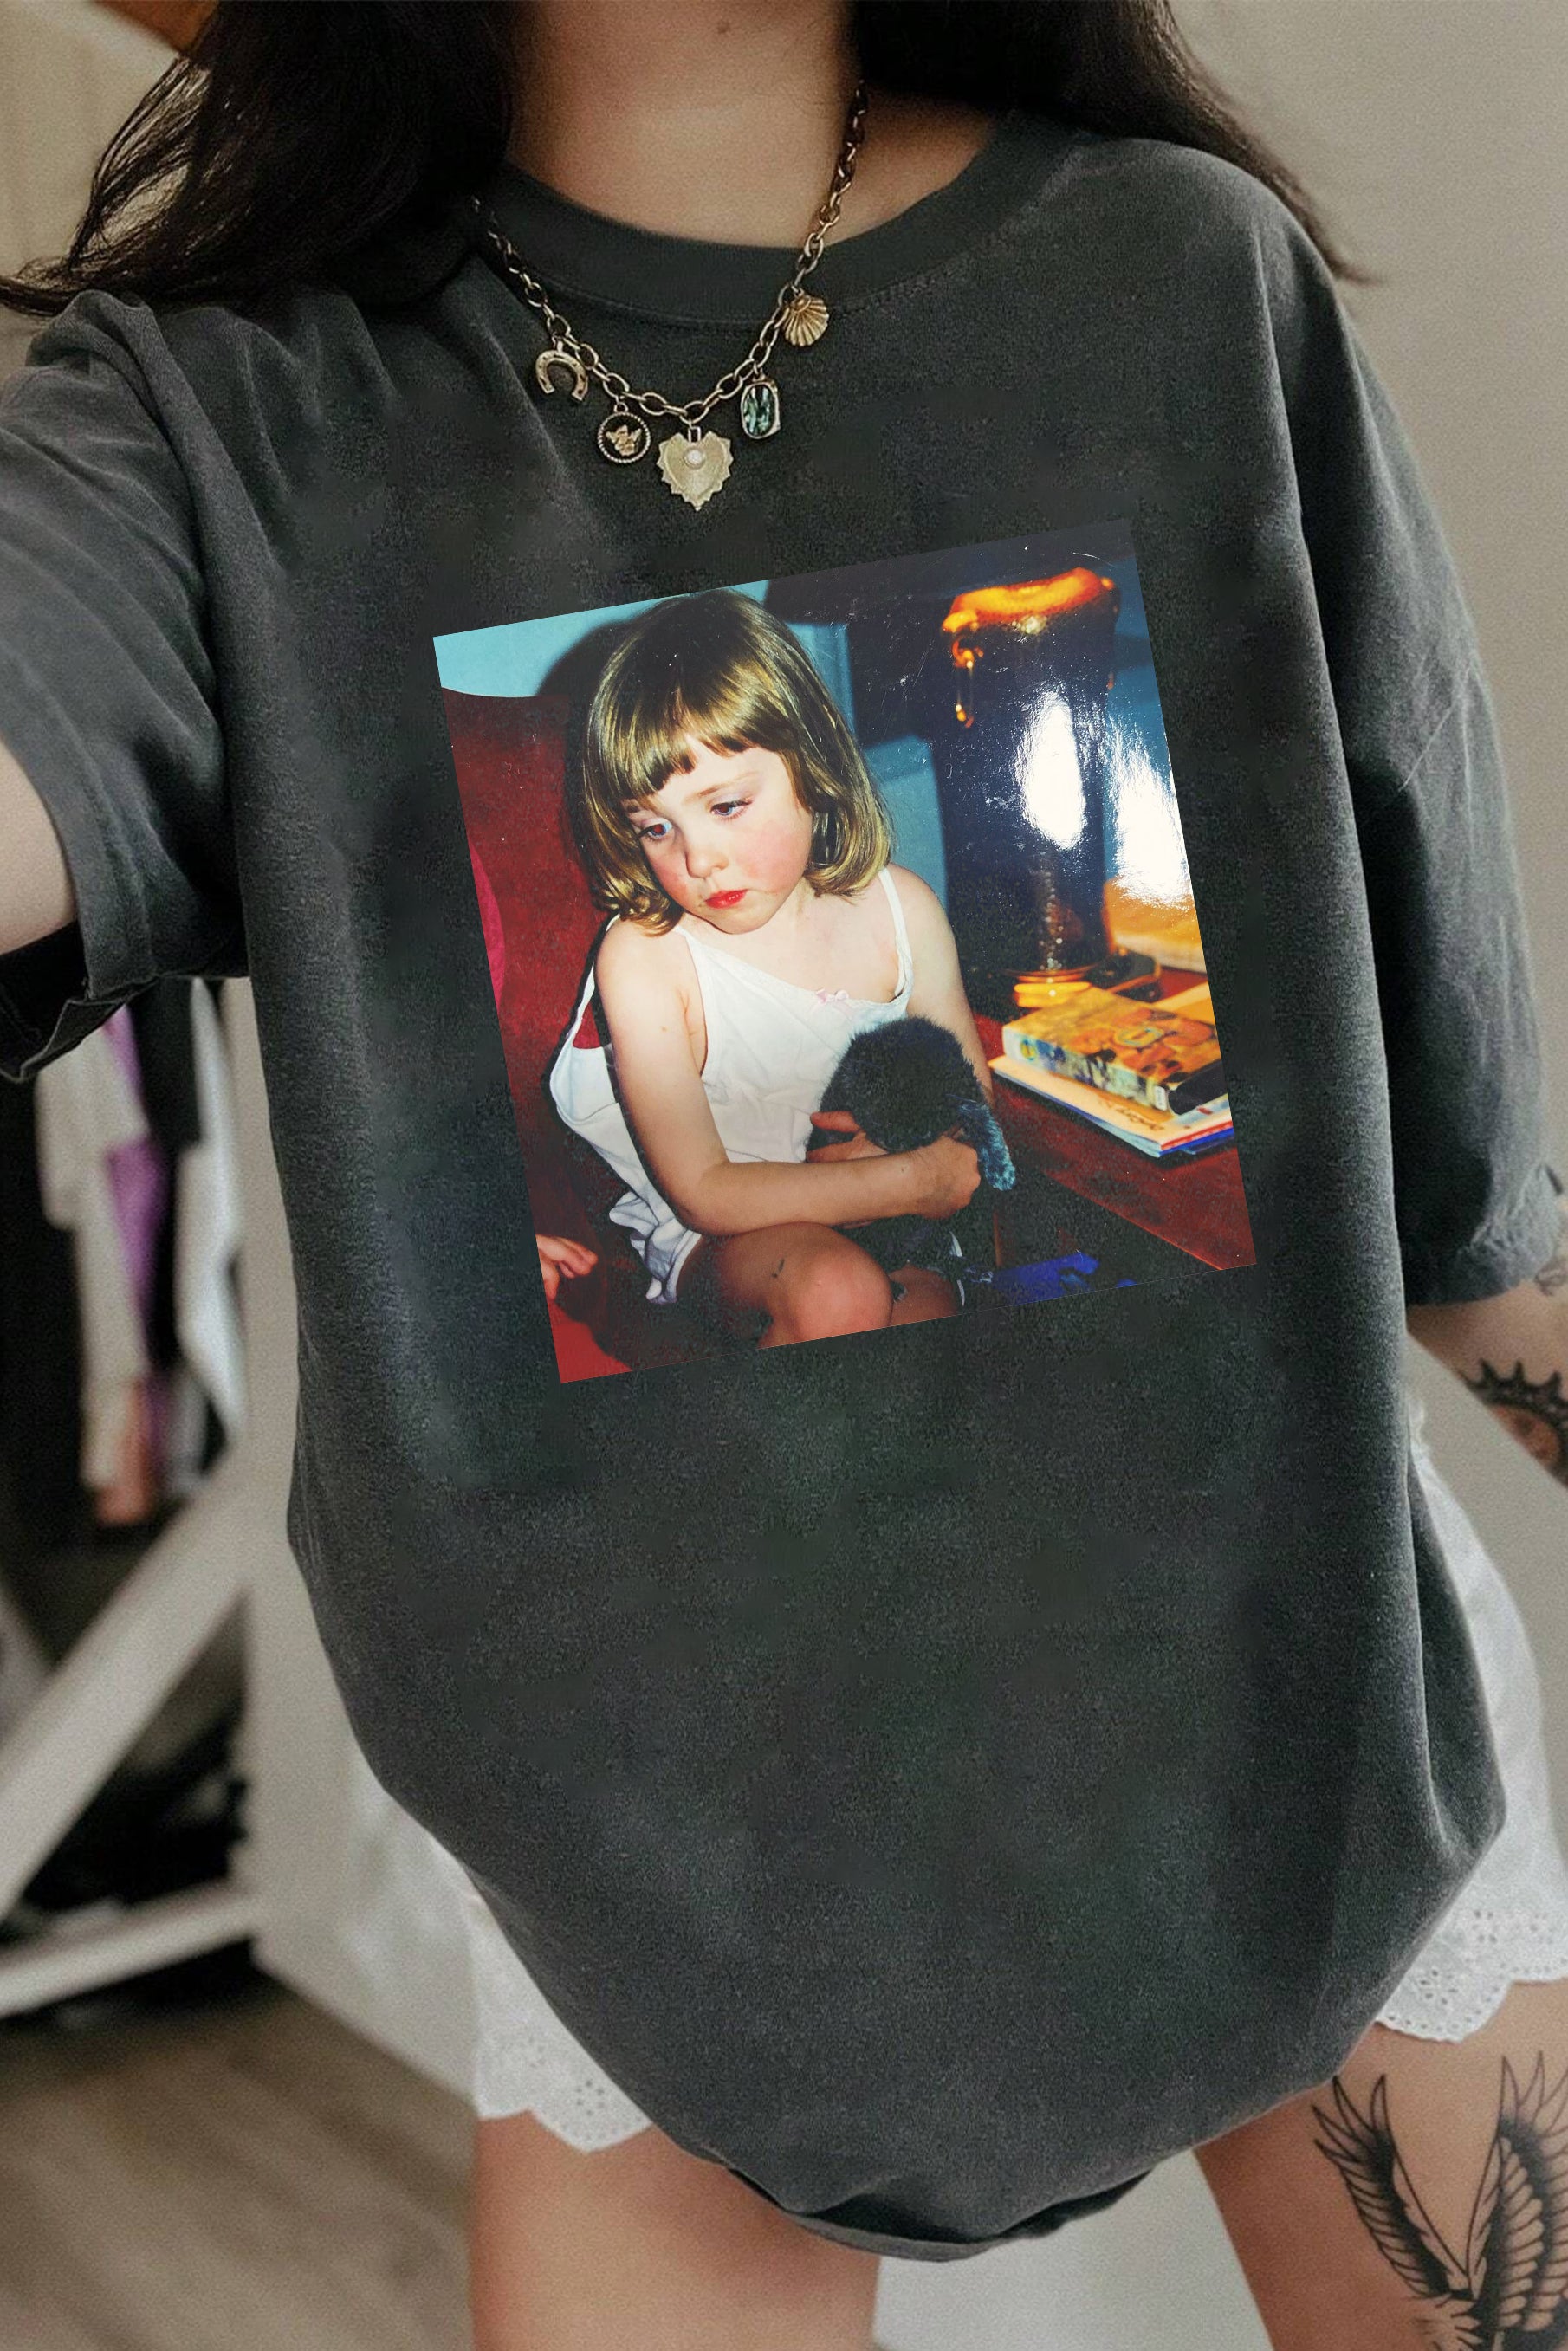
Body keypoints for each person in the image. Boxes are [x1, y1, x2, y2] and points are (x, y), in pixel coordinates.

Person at [1, 5, 1565, 2348]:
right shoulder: (214, 422)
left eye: (729, 788)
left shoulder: (1177, 279)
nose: (695, 836)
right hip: (661, 1844)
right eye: (653, 807)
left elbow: (1460, 1194)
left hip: (1287, 1707)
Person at [552, 586, 986, 1345]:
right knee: (835, 1291)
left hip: (893, 1224)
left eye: (725, 807)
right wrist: (910, 1178)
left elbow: (969, 1097)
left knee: (928, 1314)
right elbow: (706, 1193)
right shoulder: (647, 957)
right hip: (725, 1241)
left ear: (812, 768)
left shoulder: (904, 910)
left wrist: (926, 1148)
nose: (697, 859)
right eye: (655, 828)